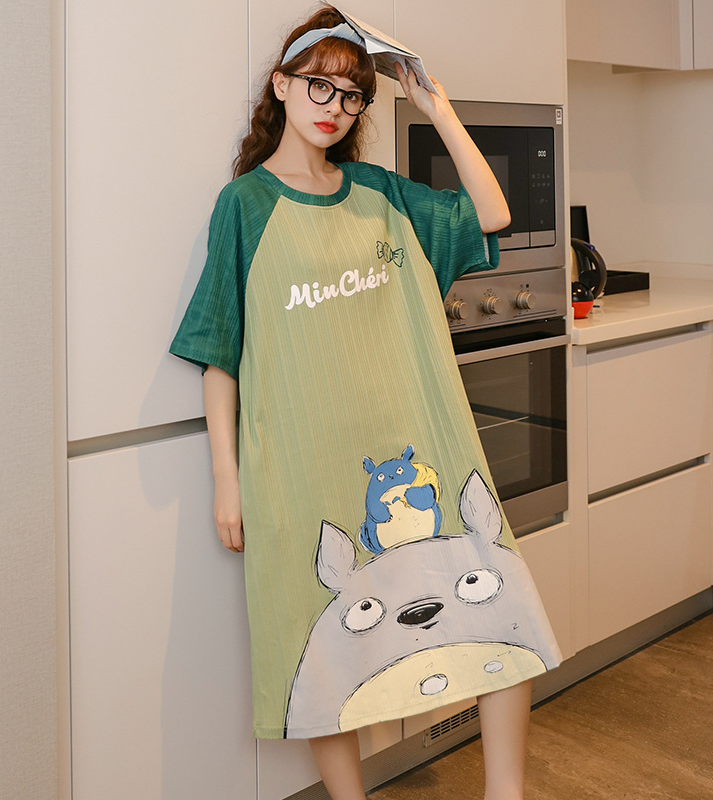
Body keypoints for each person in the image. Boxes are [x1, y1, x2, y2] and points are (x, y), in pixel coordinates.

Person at [170, 6, 561, 799]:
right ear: (282, 86)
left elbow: (494, 214)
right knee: (321, 647)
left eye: (351, 95)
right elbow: (220, 352)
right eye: (318, 85)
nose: (334, 106)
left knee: (501, 615)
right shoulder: (245, 205)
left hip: (420, 444)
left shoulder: (383, 194)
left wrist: (436, 107)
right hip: (303, 461)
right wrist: (225, 478)